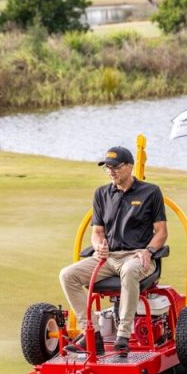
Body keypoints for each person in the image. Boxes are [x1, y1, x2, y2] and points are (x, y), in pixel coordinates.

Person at [59, 146, 167, 355]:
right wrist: (99, 245)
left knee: (129, 271)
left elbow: (161, 232)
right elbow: (97, 231)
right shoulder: (101, 194)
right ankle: (92, 333)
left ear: (129, 167)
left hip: (137, 257)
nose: (110, 171)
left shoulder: (151, 192)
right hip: (108, 259)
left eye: (115, 167)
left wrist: (149, 251)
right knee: (67, 275)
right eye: (107, 167)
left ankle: (123, 335)